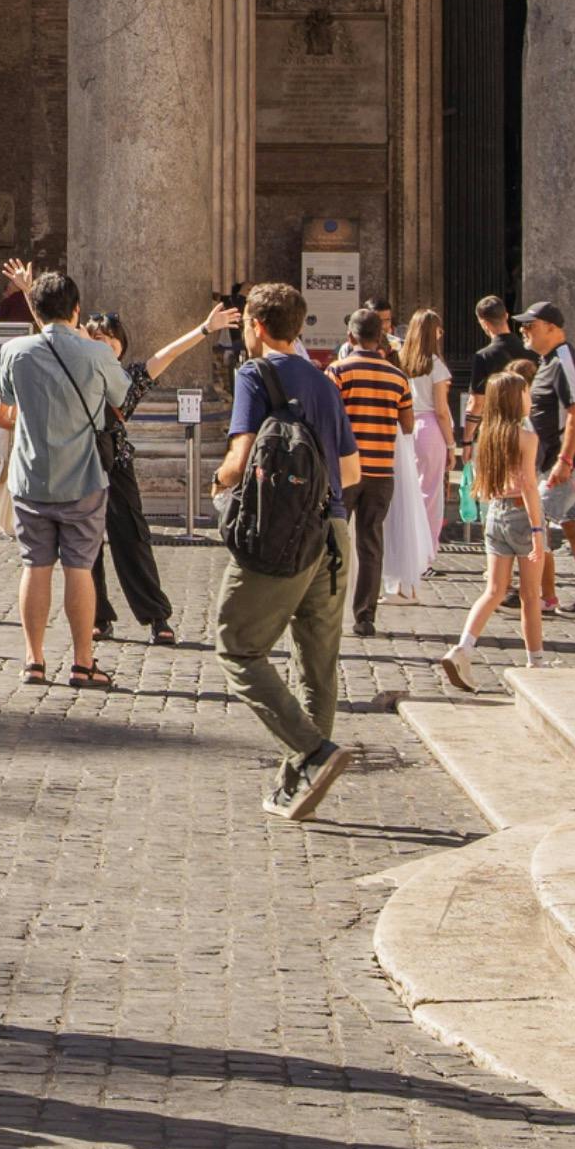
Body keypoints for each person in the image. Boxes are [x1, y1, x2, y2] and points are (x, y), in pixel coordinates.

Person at [0, 261, 178, 689]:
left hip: (32, 477)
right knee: (78, 568)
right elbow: (121, 399)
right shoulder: (98, 354)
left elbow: (7, 404)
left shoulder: (13, 352)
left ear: (36, 307)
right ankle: (82, 662)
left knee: (34, 566)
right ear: (76, 310)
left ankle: (33, 660)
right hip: (83, 478)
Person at [212, 282, 363, 821]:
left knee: (237, 646)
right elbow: (351, 472)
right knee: (317, 664)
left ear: (255, 325)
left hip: (282, 536)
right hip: (334, 534)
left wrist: (221, 479)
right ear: (298, 326)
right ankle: (298, 786)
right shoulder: (324, 382)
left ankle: (315, 752)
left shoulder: (255, 374)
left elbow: (242, 452)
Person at [435, 363, 545, 688]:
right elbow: (528, 485)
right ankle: (535, 662)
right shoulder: (526, 436)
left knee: (494, 590)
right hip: (521, 516)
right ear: (516, 400)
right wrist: (539, 531)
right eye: (525, 392)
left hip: (494, 514)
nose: (530, 397)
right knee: (530, 595)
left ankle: (463, 648)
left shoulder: (487, 435)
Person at [511, 301, 575, 613]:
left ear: (553, 329)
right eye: (524, 325)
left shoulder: (564, 358)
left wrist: (565, 460)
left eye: (532, 325)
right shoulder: (550, 360)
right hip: (560, 460)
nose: (524, 331)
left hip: (567, 462)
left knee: (532, 523)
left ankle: (538, 595)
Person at [329, 308, 413, 636]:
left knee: (334, 538)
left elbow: (329, 416)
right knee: (370, 542)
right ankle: (365, 615)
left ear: (351, 338)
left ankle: (329, 609)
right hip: (381, 470)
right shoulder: (397, 377)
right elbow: (407, 425)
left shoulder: (338, 371)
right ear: (380, 338)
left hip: (345, 469)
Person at [379, 307, 448, 601]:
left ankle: (404, 562)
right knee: (430, 497)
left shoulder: (401, 361)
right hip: (430, 428)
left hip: (403, 429)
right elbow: (443, 411)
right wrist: (455, 444)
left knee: (407, 494)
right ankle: (424, 556)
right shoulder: (436, 366)